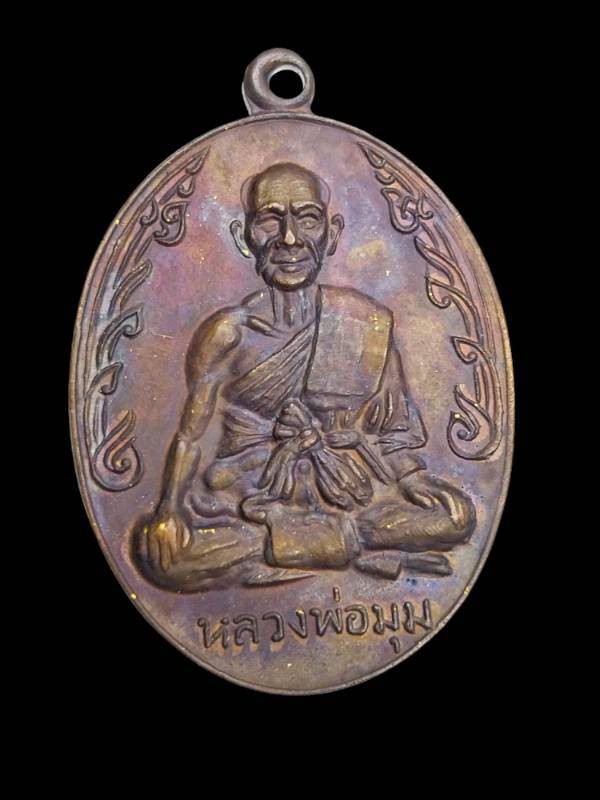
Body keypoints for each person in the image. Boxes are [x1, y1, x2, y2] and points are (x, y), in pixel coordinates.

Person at [133, 162, 475, 592]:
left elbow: (392, 430)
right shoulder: (227, 333)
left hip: (347, 488)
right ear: (244, 237)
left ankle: (290, 549)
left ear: (331, 234)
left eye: (308, 219)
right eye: (270, 220)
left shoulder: (365, 322)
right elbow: (191, 436)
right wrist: (168, 508)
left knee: (457, 518)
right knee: (162, 558)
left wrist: (413, 479)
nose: (290, 239)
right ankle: (353, 546)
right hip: (249, 493)